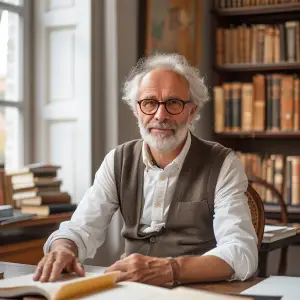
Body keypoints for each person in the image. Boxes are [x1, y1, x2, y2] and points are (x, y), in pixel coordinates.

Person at [34, 53, 258, 286]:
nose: (160, 115)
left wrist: (171, 269)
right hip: (131, 290)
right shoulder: (117, 161)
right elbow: (81, 228)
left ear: (191, 112)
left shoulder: (222, 163)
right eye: (150, 103)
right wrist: (63, 249)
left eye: (173, 103)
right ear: (137, 110)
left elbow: (241, 252)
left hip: (198, 291)